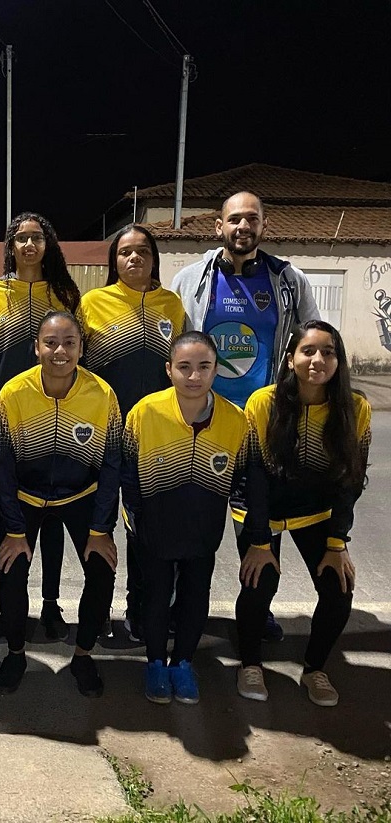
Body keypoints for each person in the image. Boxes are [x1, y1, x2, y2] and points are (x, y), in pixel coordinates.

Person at [171, 191, 321, 642]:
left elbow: (311, 339)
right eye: (234, 219)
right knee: (190, 518)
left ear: (263, 226)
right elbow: (175, 348)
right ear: (219, 227)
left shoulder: (288, 280)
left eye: (250, 219)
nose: (242, 226)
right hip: (202, 422)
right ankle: (178, 603)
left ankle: (258, 608)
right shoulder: (191, 279)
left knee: (259, 524)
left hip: (262, 426)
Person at [235, 321, 371, 707]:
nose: (318, 359)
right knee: (260, 583)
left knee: (338, 588)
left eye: (328, 352)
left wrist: (336, 543)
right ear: (291, 359)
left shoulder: (356, 409)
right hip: (260, 510)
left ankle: (315, 669)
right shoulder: (263, 402)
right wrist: (260, 542)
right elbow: (255, 476)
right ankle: (249, 663)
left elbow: (351, 481)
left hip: (316, 512)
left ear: (339, 361)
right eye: (308, 351)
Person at [0, 311, 121, 697]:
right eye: (50, 342)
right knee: (11, 568)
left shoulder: (103, 395)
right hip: (25, 499)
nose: (59, 351)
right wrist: (15, 531)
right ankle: (15, 652)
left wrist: (101, 531)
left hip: (80, 497)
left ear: (82, 348)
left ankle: (83, 655)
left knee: (102, 570)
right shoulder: (12, 394)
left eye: (69, 342)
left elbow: (111, 465)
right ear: (36, 348)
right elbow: (2, 467)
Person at [122, 331, 248, 705]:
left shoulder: (235, 420)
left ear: (215, 370)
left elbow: (242, 482)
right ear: (169, 369)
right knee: (156, 597)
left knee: (196, 597)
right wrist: (135, 522)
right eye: (185, 367)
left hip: (203, 532)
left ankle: (183, 663)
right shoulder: (144, 412)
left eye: (204, 367)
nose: (194, 377)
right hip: (155, 531)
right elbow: (128, 473)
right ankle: (157, 663)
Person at [0, 212, 82, 641]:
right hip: (7, 415)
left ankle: (52, 605)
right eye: (20, 238)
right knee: (11, 516)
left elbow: (77, 352)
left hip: (55, 414)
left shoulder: (65, 293)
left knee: (52, 517)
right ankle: (9, 608)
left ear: (48, 243)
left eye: (36, 237)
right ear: (10, 245)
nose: (29, 245)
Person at [81, 224, 185, 642]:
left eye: (143, 251)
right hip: (103, 435)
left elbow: (184, 370)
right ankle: (99, 609)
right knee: (100, 525)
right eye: (125, 252)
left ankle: (139, 606)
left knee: (145, 527)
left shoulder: (172, 306)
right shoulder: (92, 303)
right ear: (114, 261)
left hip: (156, 437)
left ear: (155, 258)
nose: (134, 258)